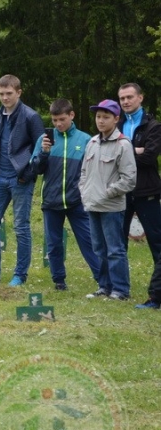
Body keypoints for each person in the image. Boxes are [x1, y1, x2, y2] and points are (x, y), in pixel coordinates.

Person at [27, 99, 103, 291]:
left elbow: (94, 171)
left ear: (72, 115)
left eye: (62, 119)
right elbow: (35, 169)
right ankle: (59, 281)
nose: (58, 124)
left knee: (89, 241)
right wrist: (44, 153)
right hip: (51, 201)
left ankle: (102, 280)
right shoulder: (44, 140)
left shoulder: (86, 140)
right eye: (54, 120)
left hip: (77, 201)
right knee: (54, 244)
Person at [0, 74, 44, 286]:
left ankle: (20, 275)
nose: (5, 98)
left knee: (21, 227)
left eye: (9, 94)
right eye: (1, 94)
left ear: (19, 92)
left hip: (21, 179)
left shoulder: (31, 117)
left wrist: (28, 175)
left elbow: (40, 149)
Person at [80, 99, 136, 300]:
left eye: (106, 117)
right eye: (98, 117)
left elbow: (129, 180)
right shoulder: (93, 142)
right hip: (92, 204)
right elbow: (84, 172)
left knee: (115, 249)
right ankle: (104, 286)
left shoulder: (123, 144)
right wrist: (84, 191)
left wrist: (107, 193)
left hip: (112, 207)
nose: (101, 121)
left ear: (116, 119)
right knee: (99, 248)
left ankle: (120, 290)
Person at [117, 83, 161, 264]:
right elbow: (108, 157)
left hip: (146, 190)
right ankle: (119, 285)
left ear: (140, 98)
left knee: (157, 241)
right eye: (122, 98)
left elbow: (149, 158)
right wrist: (137, 151)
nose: (125, 101)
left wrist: (124, 154)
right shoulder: (116, 124)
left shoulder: (153, 126)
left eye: (129, 97)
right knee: (118, 241)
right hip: (120, 192)